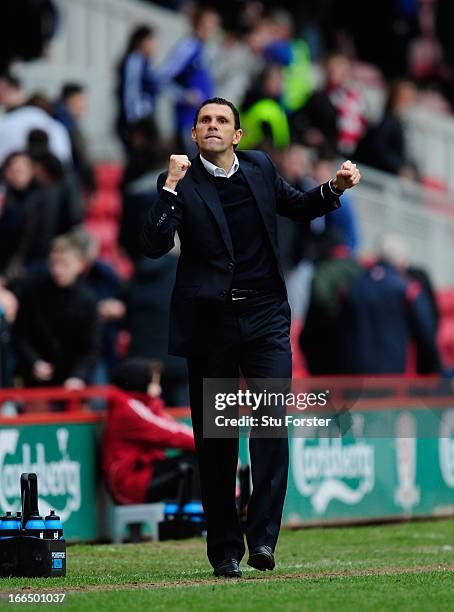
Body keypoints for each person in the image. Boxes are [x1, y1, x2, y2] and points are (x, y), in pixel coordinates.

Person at [141, 96, 361, 577]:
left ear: (237, 135)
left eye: (222, 120)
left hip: (264, 320)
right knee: (216, 444)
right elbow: (154, 244)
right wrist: (173, 185)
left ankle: (262, 542)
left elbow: (301, 207)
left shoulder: (260, 167)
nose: (213, 126)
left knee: (268, 430)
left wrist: (334, 188)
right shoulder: (178, 181)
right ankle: (224, 550)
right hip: (212, 326)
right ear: (195, 135)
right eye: (205, 121)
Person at [103, 357, 199, 505]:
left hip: (144, 473)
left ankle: (204, 517)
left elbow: (175, 427)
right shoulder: (128, 409)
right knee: (199, 463)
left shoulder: (145, 404)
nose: (159, 389)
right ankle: (199, 520)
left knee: (201, 460)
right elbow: (172, 434)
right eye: (154, 383)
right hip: (129, 485)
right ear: (139, 382)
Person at [13, 234, 101, 389]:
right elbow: (20, 335)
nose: (57, 270)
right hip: (36, 381)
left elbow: (91, 347)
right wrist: (34, 362)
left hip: (72, 382)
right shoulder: (33, 293)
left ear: (80, 265)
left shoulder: (88, 300)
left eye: (64, 264)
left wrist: (78, 376)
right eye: (53, 263)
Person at [115, 25, 160, 153]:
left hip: (143, 119)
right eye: (151, 42)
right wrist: (134, 122)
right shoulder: (135, 60)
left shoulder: (144, 61)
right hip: (137, 120)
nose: (154, 46)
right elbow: (131, 90)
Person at [54, 83, 95, 194]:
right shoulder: (66, 123)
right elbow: (82, 155)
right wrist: (91, 185)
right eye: (81, 100)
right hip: (69, 182)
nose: (84, 105)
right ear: (69, 100)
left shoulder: (56, 118)